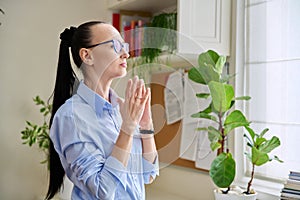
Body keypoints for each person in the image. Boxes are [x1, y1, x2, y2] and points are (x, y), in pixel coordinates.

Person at [45, 21, 159, 200]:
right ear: (87, 56)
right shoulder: (70, 117)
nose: (126, 54)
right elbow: (101, 190)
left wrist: (146, 126)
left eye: (125, 46)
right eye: (116, 45)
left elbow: (148, 174)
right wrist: (127, 129)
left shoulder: (123, 109)